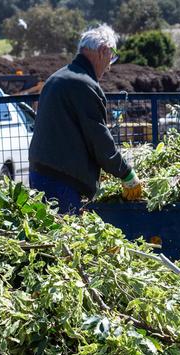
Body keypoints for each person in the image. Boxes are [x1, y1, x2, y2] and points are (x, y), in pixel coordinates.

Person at [28, 24, 142, 214]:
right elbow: (98, 138)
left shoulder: (58, 78)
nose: (109, 66)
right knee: (64, 236)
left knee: (48, 232)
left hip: (41, 172)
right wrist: (126, 173)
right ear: (104, 51)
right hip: (61, 178)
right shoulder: (83, 84)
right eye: (111, 57)